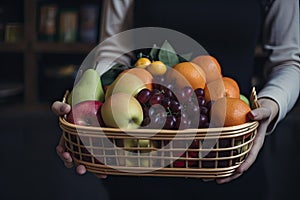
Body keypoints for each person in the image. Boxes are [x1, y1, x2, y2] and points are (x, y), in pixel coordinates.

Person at [52, 0, 300, 199]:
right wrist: (87, 110)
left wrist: (271, 105)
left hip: (228, 152)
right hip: (141, 160)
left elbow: (289, 60)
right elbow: (113, 50)